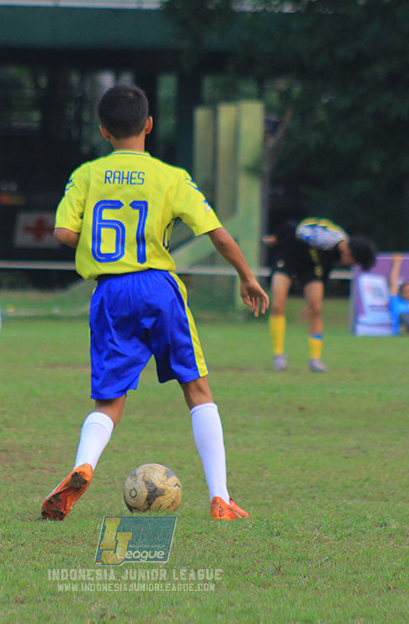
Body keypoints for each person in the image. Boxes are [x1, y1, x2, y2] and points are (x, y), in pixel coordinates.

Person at [41, 84, 269, 522]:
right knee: (197, 389)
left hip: (109, 292)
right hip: (157, 288)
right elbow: (217, 233)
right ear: (148, 124)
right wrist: (247, 276)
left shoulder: (86, 174)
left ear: (104, 131)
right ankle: (220, 497)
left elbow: (64, 234)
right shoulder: (171, 177)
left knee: (108, 400)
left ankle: (83, 465)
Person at [264, 218, 376, 372]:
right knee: (277, 304)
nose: (352, 265)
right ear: (349, 253)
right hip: (289, 256)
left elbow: (325, 269)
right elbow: (291, 227)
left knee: (316, 309)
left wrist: (310, 304)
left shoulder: (339, 250)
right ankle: (278, 355)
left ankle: (315, 360)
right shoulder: (326, 239)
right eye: (354, 262)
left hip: (311, 266)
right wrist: (277, 238)